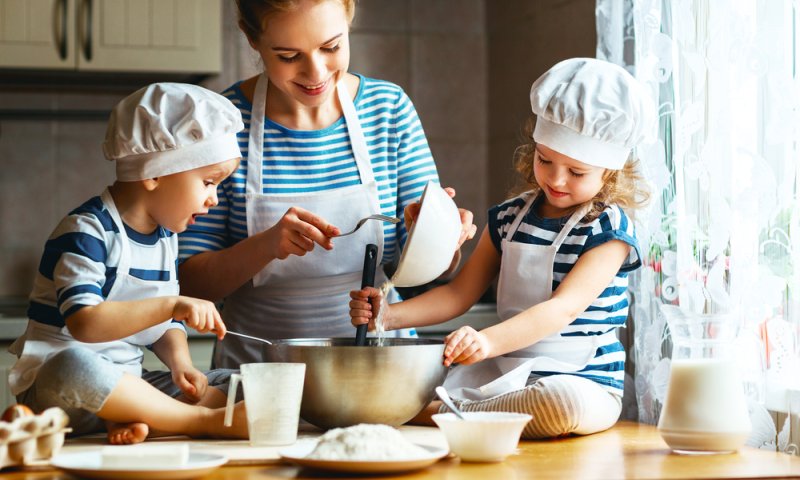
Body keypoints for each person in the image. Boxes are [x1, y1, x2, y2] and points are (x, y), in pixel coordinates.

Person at [350, 57, 655, 439]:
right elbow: (459, 294)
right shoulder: (508, 219)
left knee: (562, 402)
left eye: (577, 172)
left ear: (610, 171)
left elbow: (562, 309)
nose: (556, 179)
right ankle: (465, 412)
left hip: (584, 381)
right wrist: (387, 316)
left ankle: (438, 413)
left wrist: (487, 340)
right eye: (545, 159)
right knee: (431, 380)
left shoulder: (609, 230)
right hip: (505, 374)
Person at [177, 0, 475, 369]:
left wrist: (438, 237)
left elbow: (430, 271)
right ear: (251, 39)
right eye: (288, 56)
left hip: (381, 367)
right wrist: (266, 246)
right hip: (261, 371)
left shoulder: (388, 109)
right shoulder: (221, 124)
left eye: (331, 47)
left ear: (350, 17)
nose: (315, 72)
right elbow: (189, 284)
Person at [7, 83, 249, 444]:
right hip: (60, 391)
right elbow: (85, 324)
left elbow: (162, 325)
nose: (214, 199)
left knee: (238, 384)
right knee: (74, 367)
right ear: (154, 173)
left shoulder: (166, 237)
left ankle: (135, 417)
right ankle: (201, 421)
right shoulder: (87, 230)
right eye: (209, 182)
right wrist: (173, 304)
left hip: (128, 385)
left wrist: (181, 364)